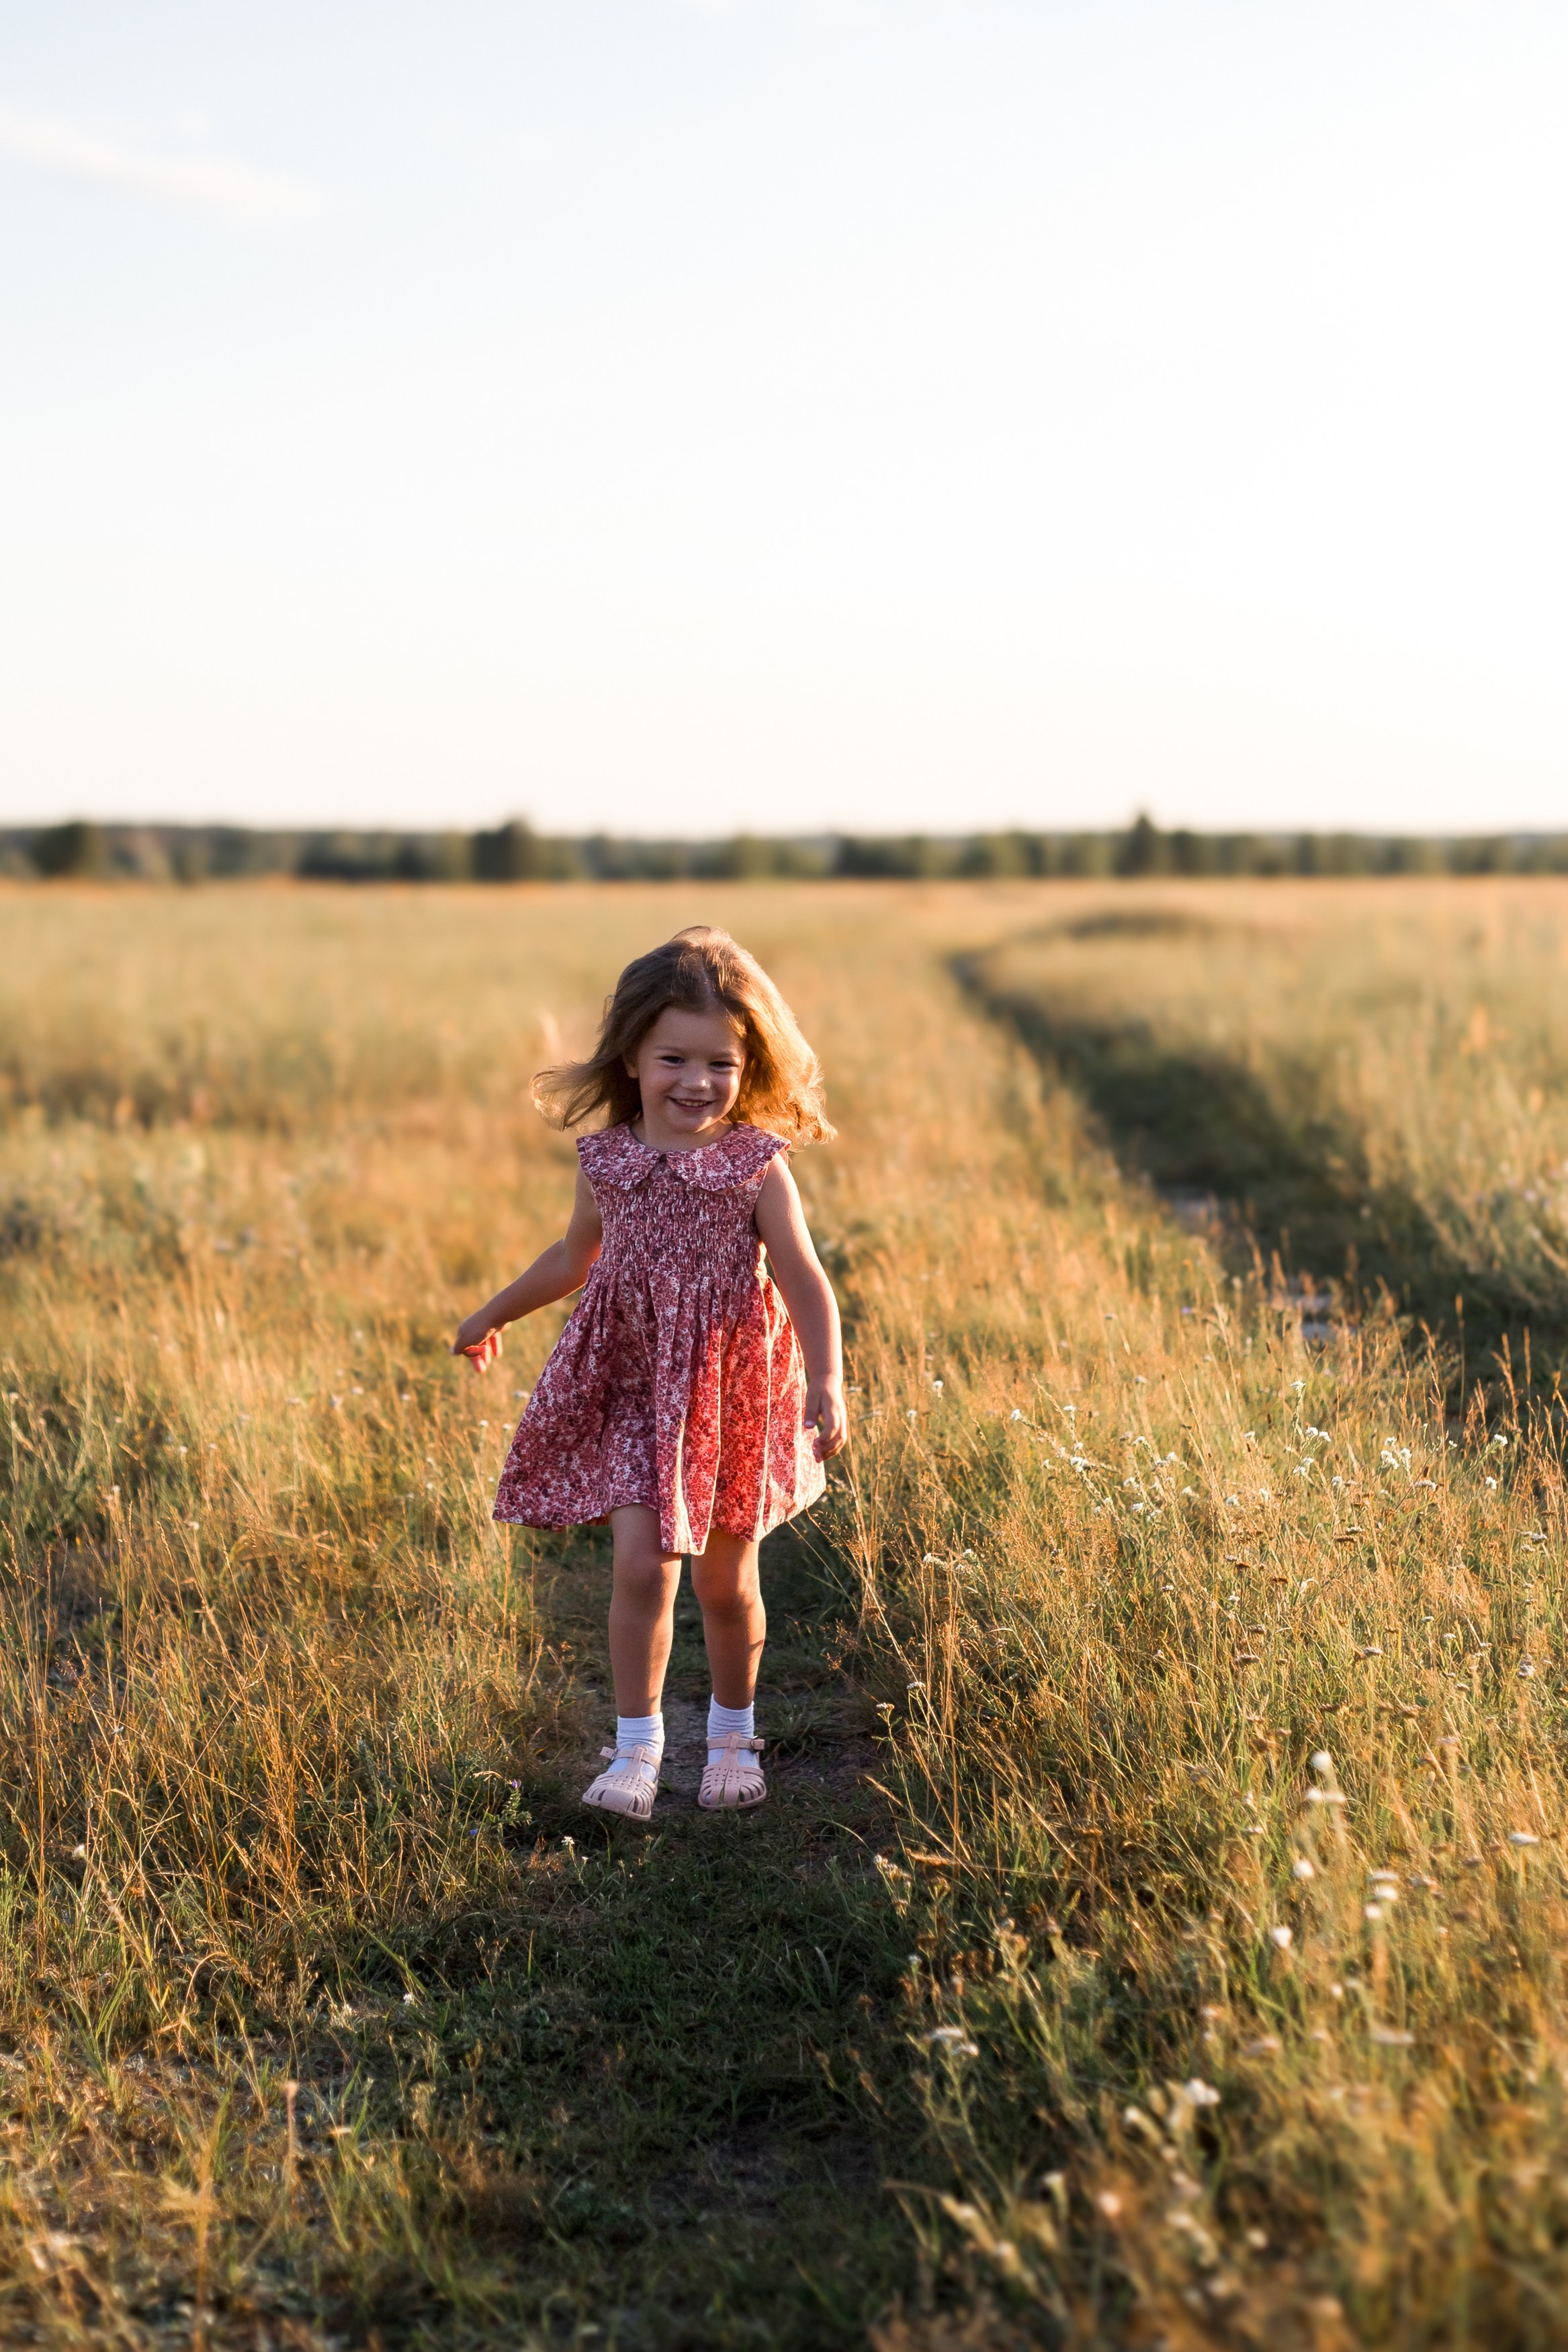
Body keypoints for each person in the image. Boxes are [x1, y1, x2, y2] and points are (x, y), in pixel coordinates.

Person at [453, 925, 847, 1820]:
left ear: (749, 1070)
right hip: (633, 1381)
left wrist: (828, 1379)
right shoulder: (609, 1159)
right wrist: (488, 1314)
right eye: (674, 1058)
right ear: (631, 1057)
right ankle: (636, 1749)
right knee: (641, 1569)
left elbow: (803, 1277)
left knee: (722, 1579)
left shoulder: (757, 1165)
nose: (697, 1083)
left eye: (723, 1064)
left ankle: (731, 1736)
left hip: (729, 1387)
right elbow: (571, 1259)